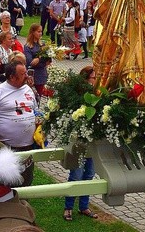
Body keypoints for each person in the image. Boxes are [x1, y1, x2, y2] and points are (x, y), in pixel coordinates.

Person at [0, 62, 36, 186]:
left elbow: (35, 111)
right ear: (12, 77)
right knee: (7, 185)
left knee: (26, 182)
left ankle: (24, 204)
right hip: (7, 148)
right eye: (23, 74)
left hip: (28, 147)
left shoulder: (28, 89)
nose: (27, 76)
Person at [63, 66, 99, 222]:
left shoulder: (98, 96)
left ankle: (84, 206)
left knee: (89, 174)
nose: (95, 81)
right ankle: (68, 207)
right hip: (77, 141)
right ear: (85, 79)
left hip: (93, 142)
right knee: (76, 175)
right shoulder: (77, 96)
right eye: (93, 78)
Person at [23, 24, 49, 97]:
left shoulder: (43, 45)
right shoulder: (28, 46)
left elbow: (47, 60)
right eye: (38, 31)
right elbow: (30, 62)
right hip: (32, 75)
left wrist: (38, 59)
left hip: (42, 74)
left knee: (39, 96)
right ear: (33, 32)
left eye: (41, 32)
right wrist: (42, 61)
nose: (40, 33)